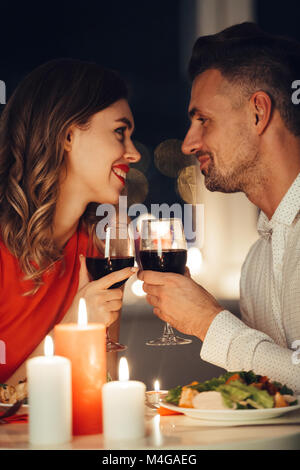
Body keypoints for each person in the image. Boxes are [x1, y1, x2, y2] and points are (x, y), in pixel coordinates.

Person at [139, 22, 300, 393]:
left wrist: (208, 323)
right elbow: (270, 399)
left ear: (258, 113)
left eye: (203, 120)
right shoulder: (256, 263)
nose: (188, 143)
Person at [0, 59, 140, 383]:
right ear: (67, 135)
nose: (134, 153)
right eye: (120, 132)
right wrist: (73, 329)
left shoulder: (100, 243)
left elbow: (96, 384)